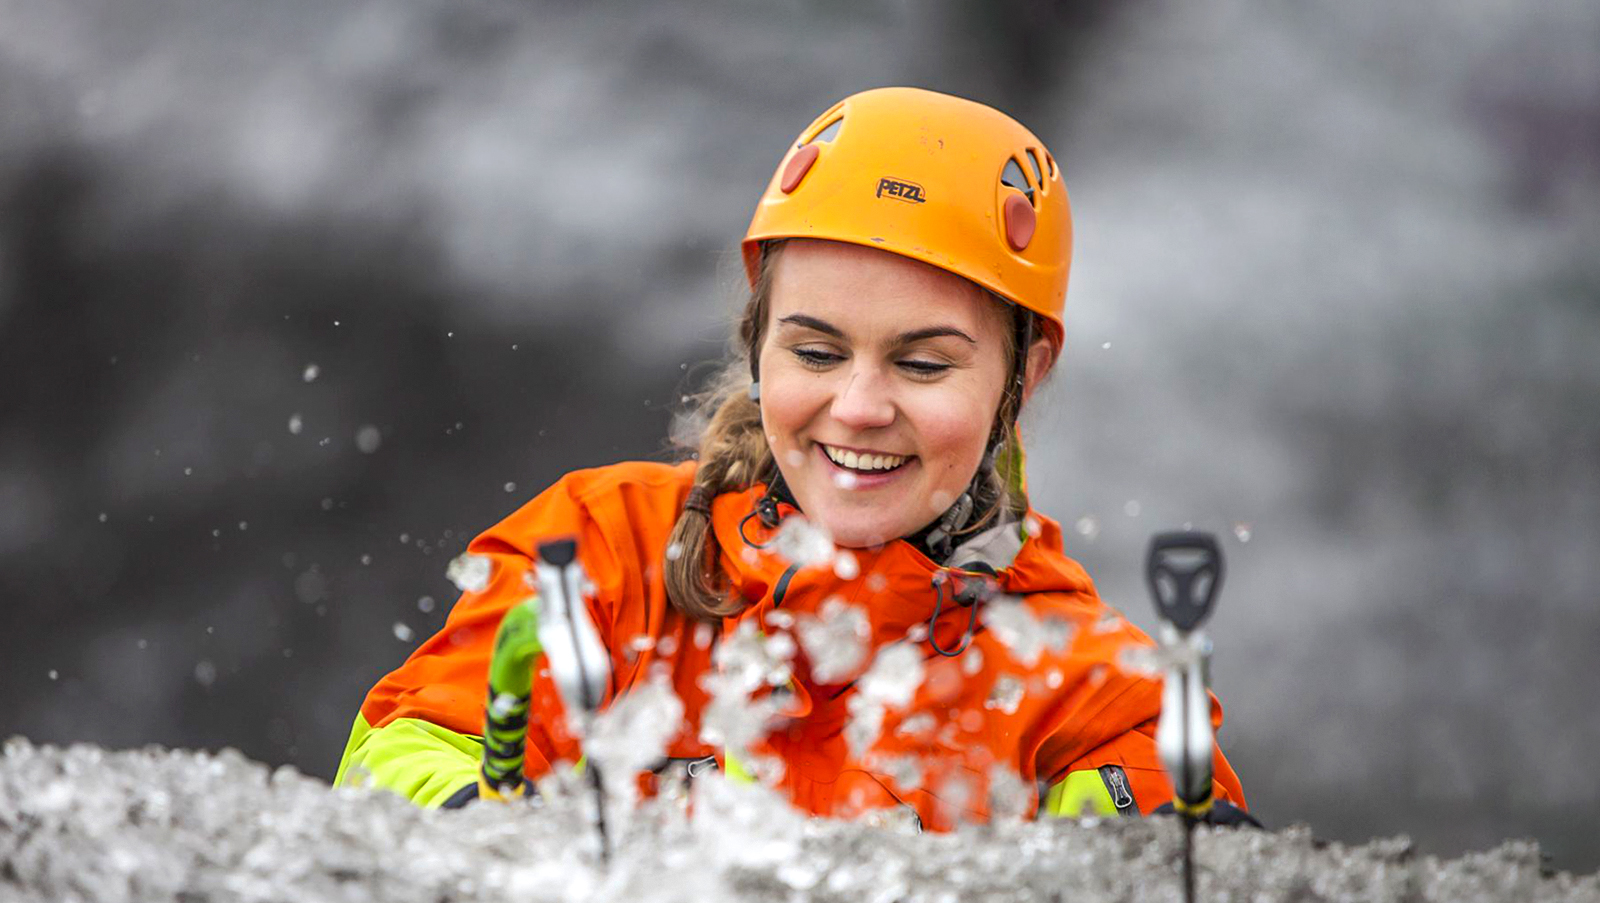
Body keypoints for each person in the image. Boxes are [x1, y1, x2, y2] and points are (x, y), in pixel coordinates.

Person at [333, 87, 1249, 830]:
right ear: (758, 339)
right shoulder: (600, 553)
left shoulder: (1090, 695)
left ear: (1027, 372)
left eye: (923, 364)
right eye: (815, 353)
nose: (858, 408)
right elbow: (400, 756)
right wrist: (487, 825)